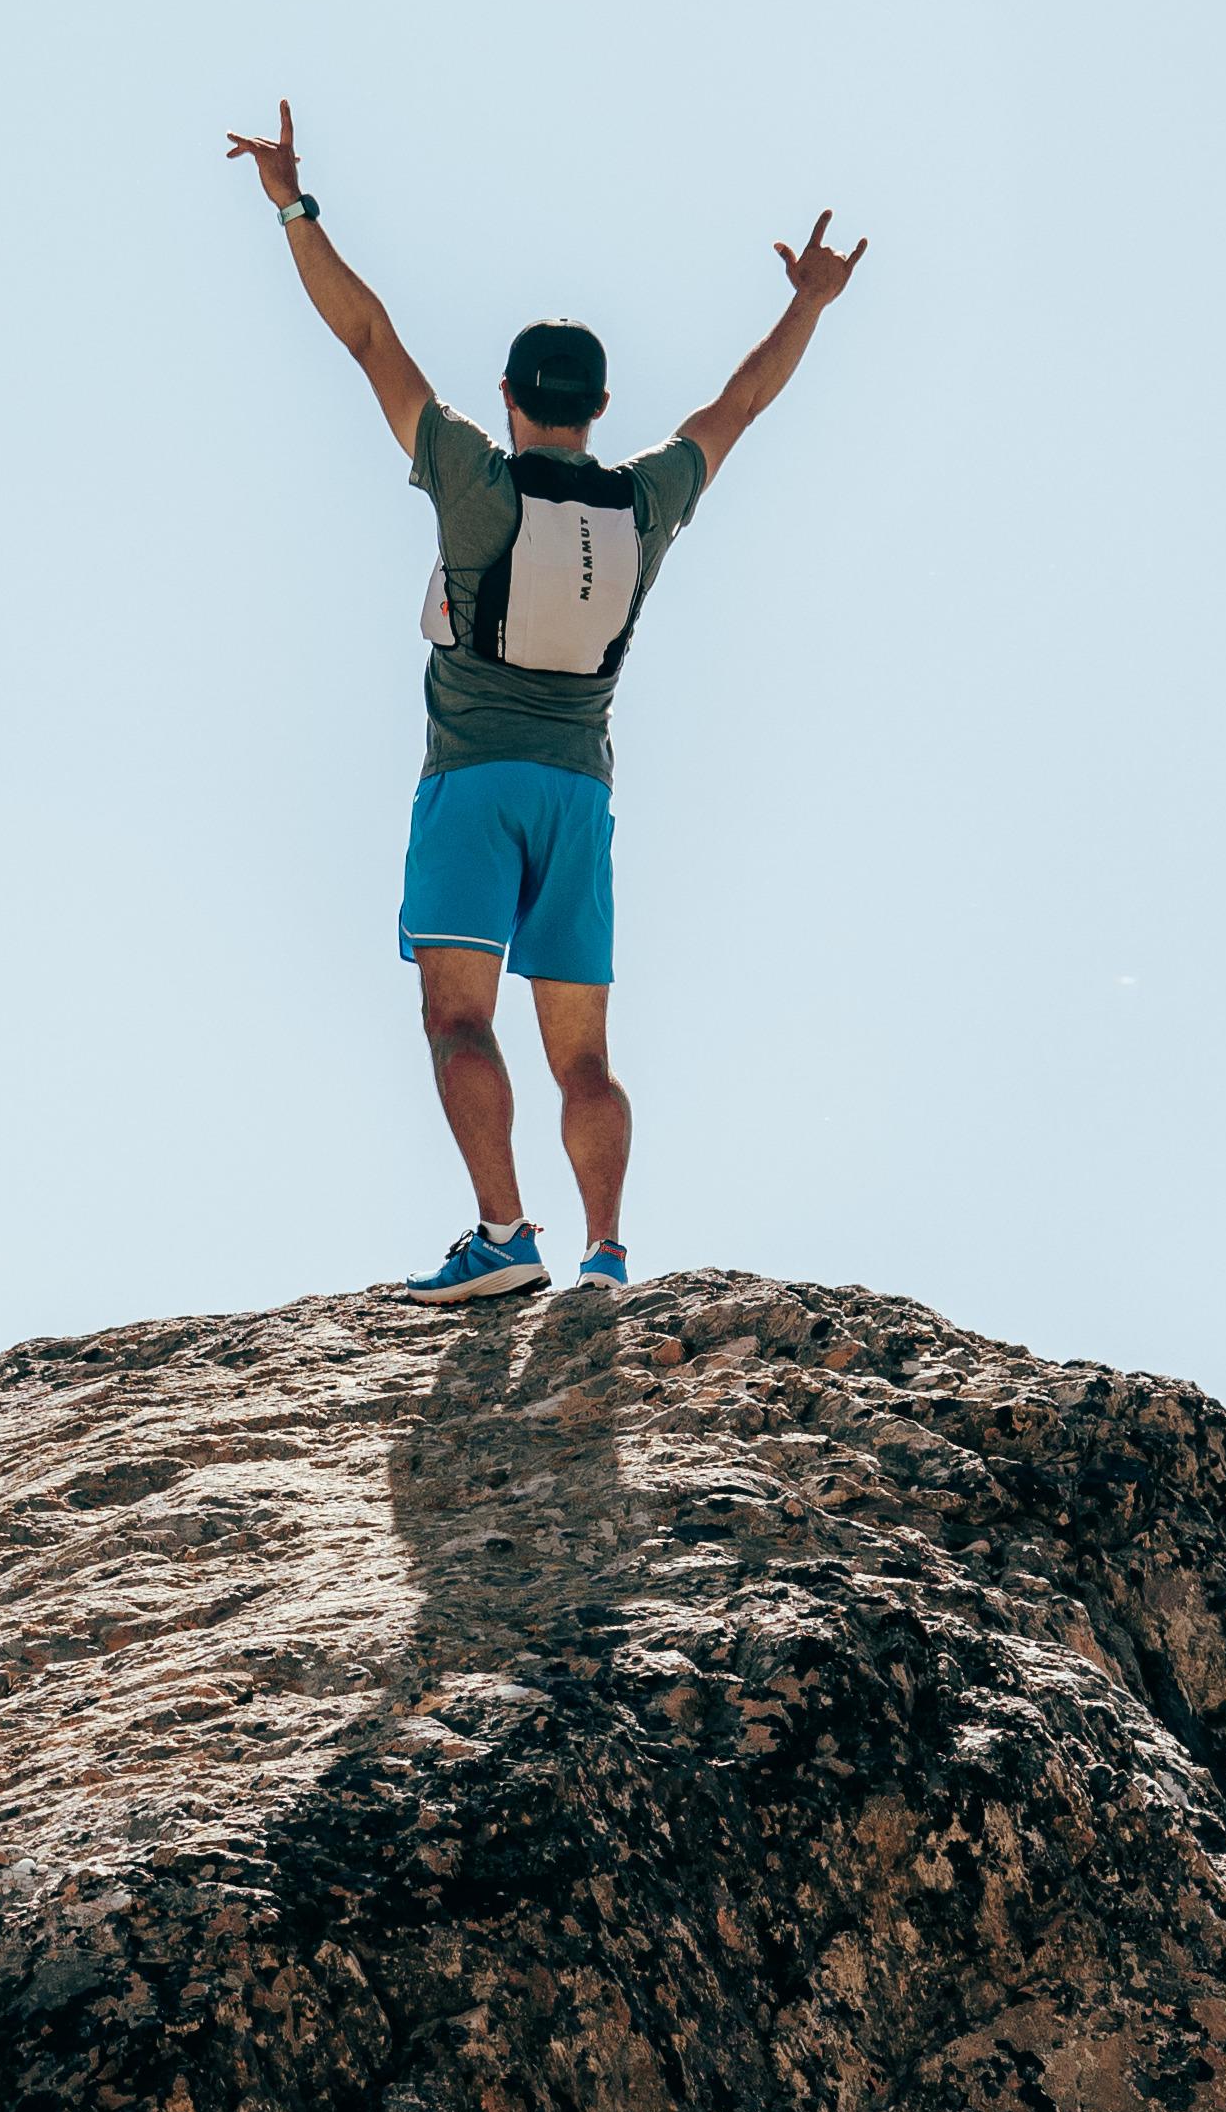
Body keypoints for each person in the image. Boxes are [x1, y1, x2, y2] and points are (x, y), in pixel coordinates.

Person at [227, 104, 864, 1297]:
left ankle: (505, 1237)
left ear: (509, 392)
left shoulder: (473, 478)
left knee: (457, 1025)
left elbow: (366, 336)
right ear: (599, 408)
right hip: (579, 798)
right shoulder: (648, 497)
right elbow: (738, 405)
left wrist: (291, 205)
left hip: (471, 790)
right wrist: (810, 303)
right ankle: (609, 1255)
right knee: (585, 1058)